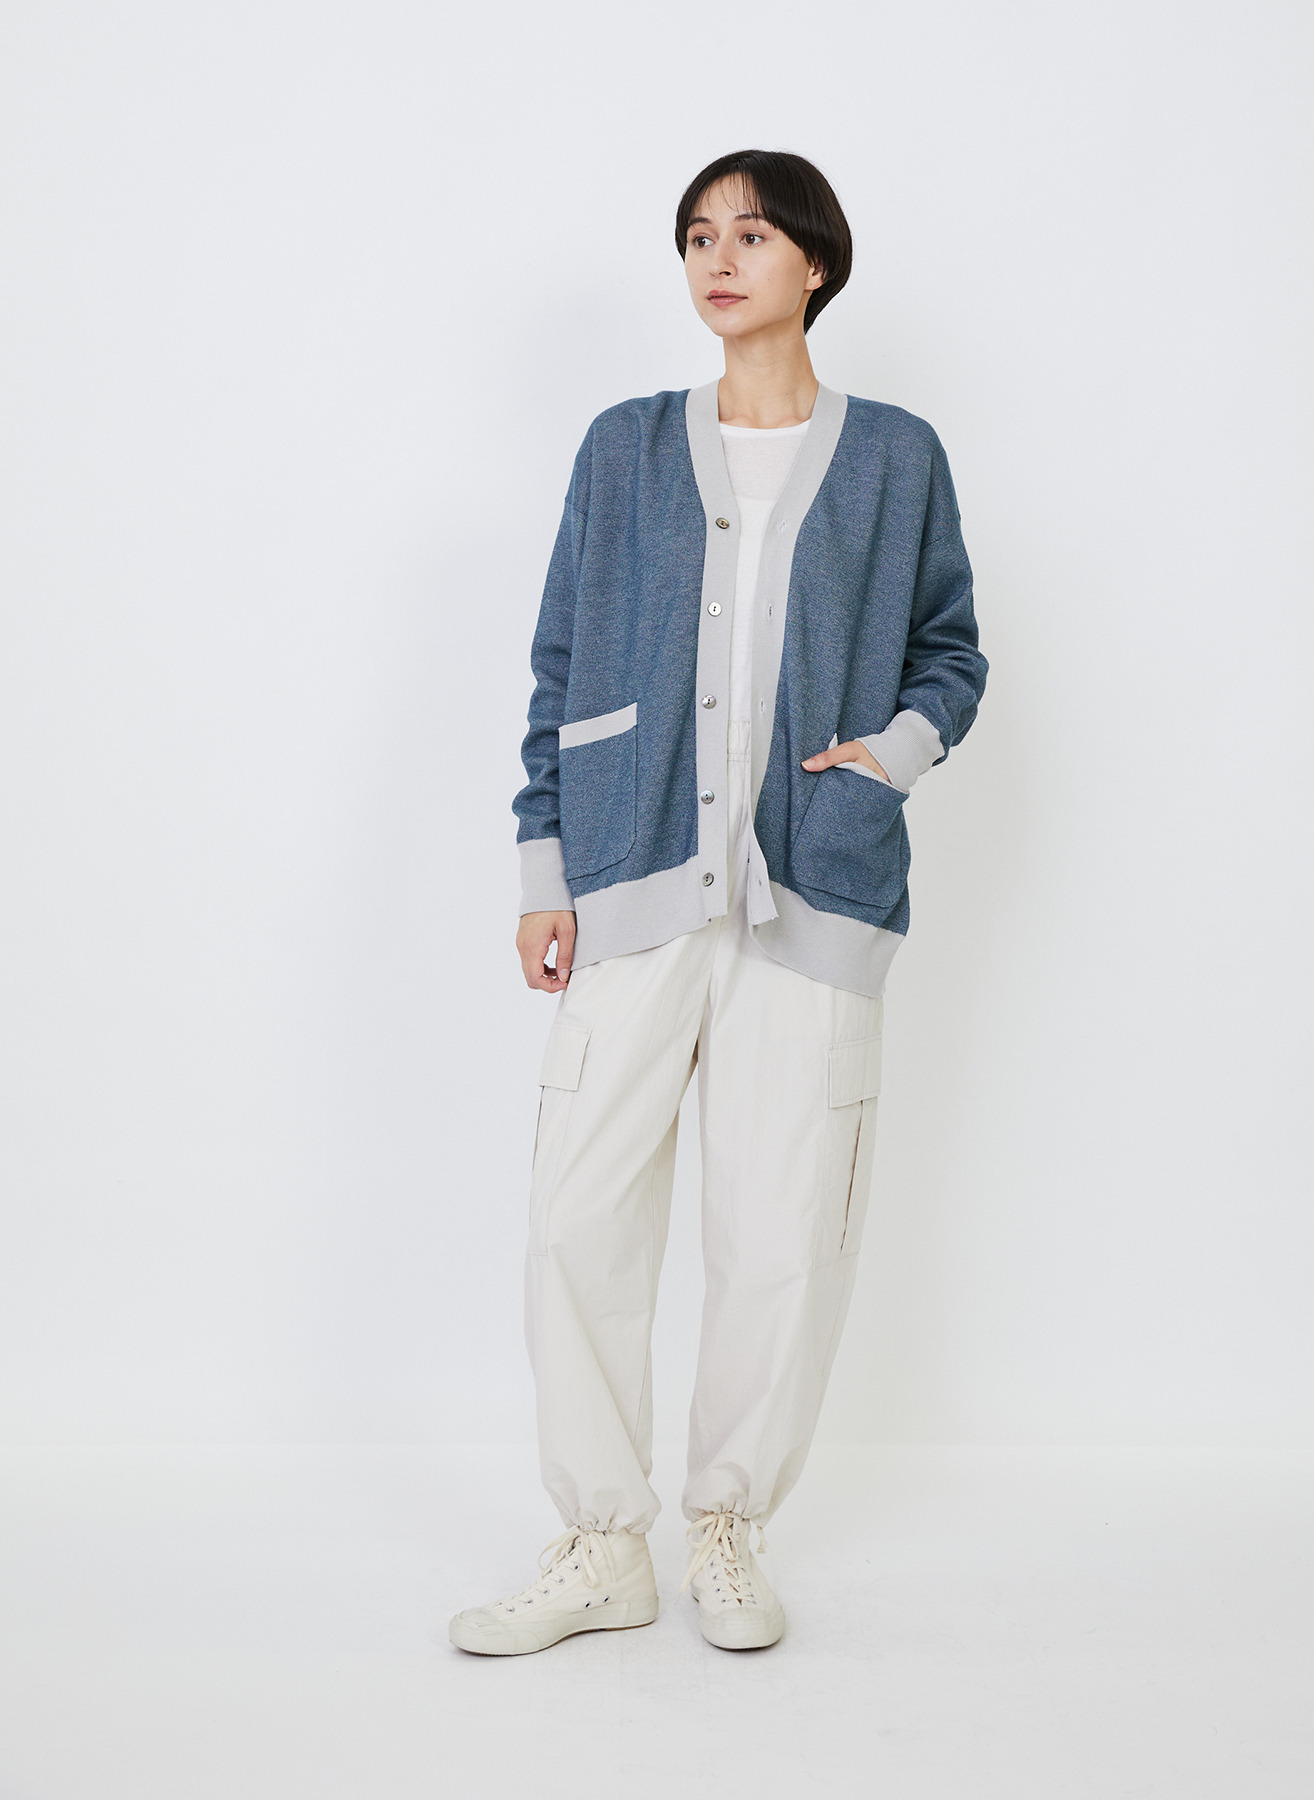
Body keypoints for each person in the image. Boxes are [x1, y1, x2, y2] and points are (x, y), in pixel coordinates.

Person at [450, 149, 987, 1657]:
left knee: (779, 1231)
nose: (718, 260)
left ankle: (728, 1528)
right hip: (631, 881)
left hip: (815, 888)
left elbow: (952, 651)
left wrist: (889, 757)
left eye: (750, 234)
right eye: (697, 237)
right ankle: (600, 1547)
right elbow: (562, 664)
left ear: (814, 261)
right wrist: (544, 868)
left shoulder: (895, 458)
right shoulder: (624, 448)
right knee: (577, 1218)